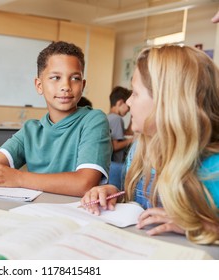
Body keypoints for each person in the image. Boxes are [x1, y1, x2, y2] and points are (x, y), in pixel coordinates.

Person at [0, 41, 112, 197]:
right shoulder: (31, 130)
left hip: (77, 215)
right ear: (39, 85)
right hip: (37, 211)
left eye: (75, 78)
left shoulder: (93, 120)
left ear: (83, 85)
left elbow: (85, 182)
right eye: (55, 77)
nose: (65, 86)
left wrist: (19, 178)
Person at [81, 45, 219, 244]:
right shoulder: (140, 149)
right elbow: (137, 205)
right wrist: (114, 193)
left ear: (167, 103)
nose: (128, 102)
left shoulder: (213, 167)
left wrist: (200, 225)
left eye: (135, 94)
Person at [107, 86, 133, 163]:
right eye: (128, 107)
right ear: (120, 103)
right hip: (116, 163)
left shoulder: (109, 117)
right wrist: (133, 139)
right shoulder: (117, 119)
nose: (128, 110)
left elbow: (128, 132)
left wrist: (133, 115)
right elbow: (114, 146)